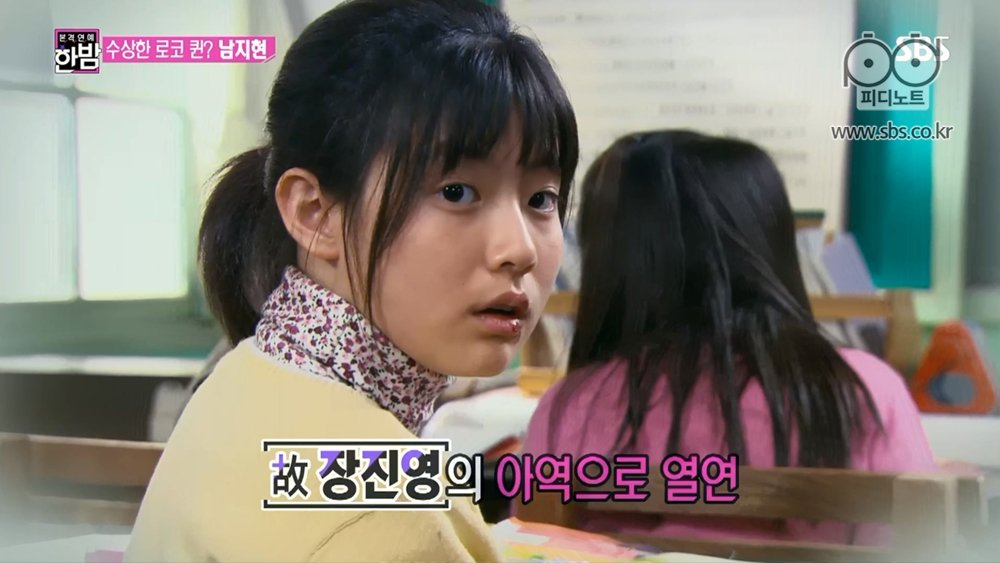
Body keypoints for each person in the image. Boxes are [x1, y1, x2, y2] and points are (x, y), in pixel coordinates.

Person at [125, 0, 578, 560]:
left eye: (541, 199)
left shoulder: (250, 376)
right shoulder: (382, 522)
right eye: (457, 192)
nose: (520, 250)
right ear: (314, 213)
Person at [520, 130, 936, 545]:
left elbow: (529, 545)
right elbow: (923, 542)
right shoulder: (862, 390)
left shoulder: (570, 406)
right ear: (772, 242)